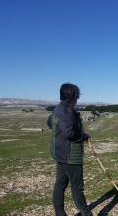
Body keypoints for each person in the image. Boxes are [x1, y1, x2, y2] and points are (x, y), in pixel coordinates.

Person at [47, 83, 92, 216]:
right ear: (74, 96)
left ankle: (60, 213)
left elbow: (50, 123)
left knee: (60, 185)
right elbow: (70, 134)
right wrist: (83, 136)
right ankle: (86, 213)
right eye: (77, 96)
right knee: (77, 188)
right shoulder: (67, 111)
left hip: (60, 153)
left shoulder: (58, 109)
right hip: (70, 156)